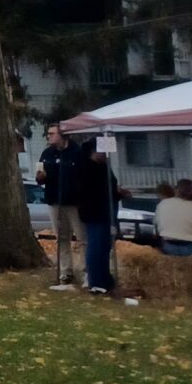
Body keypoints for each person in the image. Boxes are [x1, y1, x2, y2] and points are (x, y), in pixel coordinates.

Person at [38, 122, 89, 288]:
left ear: (63, 135)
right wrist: (41, 177)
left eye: (52, 133)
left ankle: (87, 271)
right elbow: (40, 178)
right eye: (48, 133)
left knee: (82, 237)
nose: (48, 136)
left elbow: (84, 176)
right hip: (54, 201)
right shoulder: (47, 154)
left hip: (74, 202)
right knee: (61, 238)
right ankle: (65, 272)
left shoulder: (77, 153)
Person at [74, 143, 120, 294]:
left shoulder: (104, 167)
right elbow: (93, 191)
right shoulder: (87, 168)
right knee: (96, 246)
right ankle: (95, 281)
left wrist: (117, 193)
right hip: (95, 212)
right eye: (102, 152)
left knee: (104, 247)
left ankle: (105, 278)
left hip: (105, 211)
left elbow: (110, 188)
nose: (106, 155)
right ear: (94, 152)